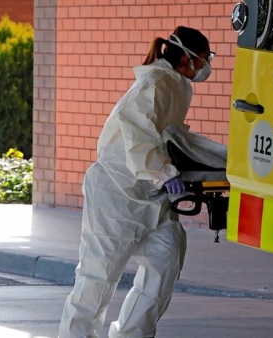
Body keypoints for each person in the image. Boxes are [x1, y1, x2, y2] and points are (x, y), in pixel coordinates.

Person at [59, 26, 216, 338]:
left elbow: (166, 137)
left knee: (165, 262)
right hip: (116, 192)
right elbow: (138, 137)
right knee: (98, 277)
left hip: (151, 195)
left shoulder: (175, 85)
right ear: (186, 57)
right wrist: (166, 173)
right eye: (203, 58)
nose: (205, 66)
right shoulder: (156, 82)